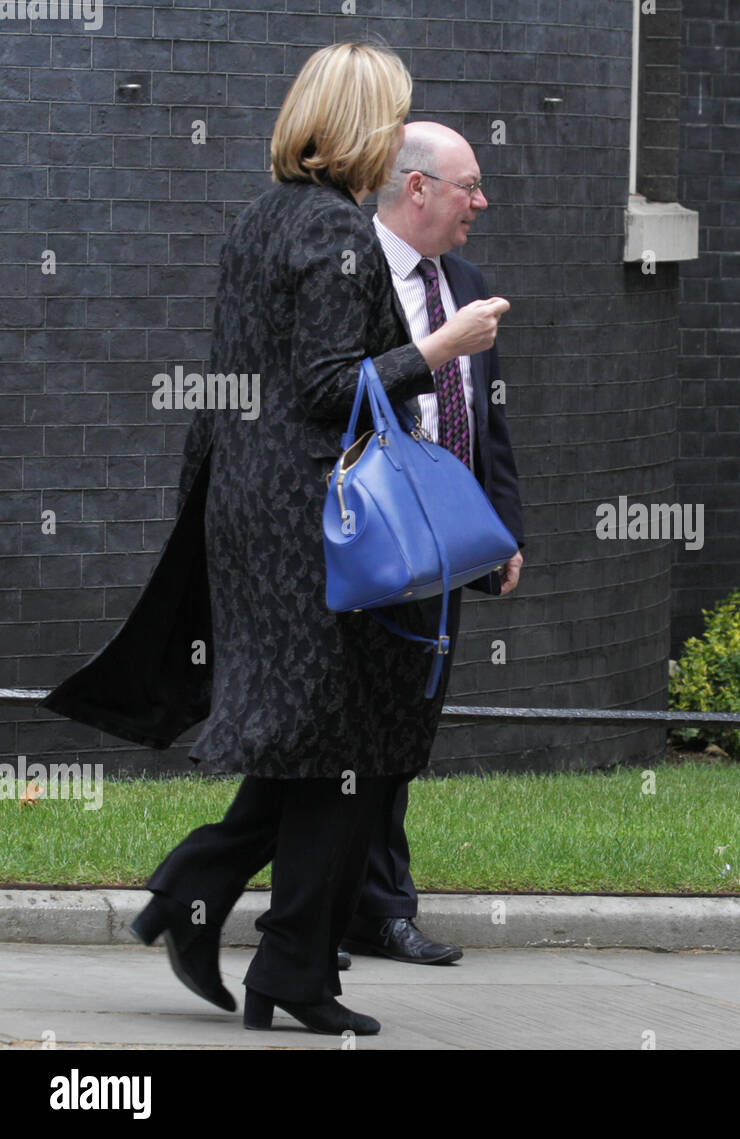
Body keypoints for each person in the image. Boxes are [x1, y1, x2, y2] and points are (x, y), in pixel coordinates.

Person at [43, 42, 521, 1035]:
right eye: (389, 118)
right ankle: (260, 937)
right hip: (322, 526)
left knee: (321, 740)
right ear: (355, 125)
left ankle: (234, 918)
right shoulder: (336, 236)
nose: (395, 141)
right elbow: (320, 387)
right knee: (350, 737)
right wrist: (442, 346)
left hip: (262, 516)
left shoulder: (264, 220)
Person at [337, 121, 524, 970]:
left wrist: (501, 528)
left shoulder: (467, 283)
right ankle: (365, 907)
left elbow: (490, 419)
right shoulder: (352, 270)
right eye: (467, 187)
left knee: (408, 731)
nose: (479, 203)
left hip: (443, 548)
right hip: (373, 541)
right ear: (416, 188)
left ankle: (366, 904)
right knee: (354, 732)